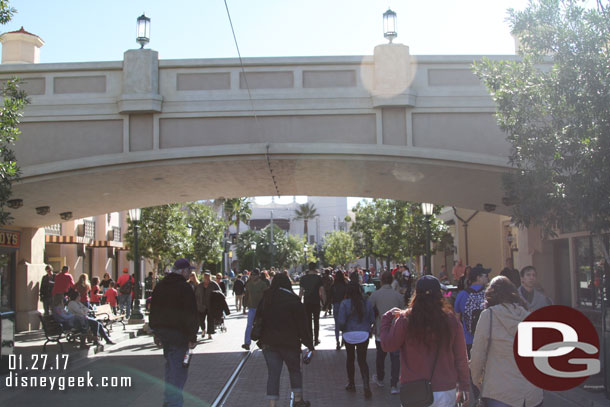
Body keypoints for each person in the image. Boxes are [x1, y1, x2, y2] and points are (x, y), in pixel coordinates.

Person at [380, 275, 470, 407]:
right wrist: (464, 386)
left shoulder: (406, 320)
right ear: (440, 295)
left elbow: (387, 345)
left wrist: (386, 319)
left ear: (416, 294)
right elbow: (461, 357)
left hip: (415, 390)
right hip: (445, 389)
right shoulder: (451, 321)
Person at [471, 276, 543, 407]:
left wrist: (476, 379)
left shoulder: (489, 316)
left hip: (500, 391)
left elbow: (478, 353)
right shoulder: (528, 317)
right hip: (531, 393)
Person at [258, 273, 314, 407]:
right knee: (295, 371)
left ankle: (272, 404)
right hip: (290, 342)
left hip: (269, 342)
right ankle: (298, 400)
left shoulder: (267, 297)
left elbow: (259, 318)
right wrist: (309, 344)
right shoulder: (293, 299)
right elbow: (303, 324)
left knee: (273, 374)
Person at [149, 258, 199, 407]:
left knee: (171, 366)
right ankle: (173, 402)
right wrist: (192, 336)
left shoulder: (161, 285)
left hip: (164, 333)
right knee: (178, 369)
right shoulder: (184, 288)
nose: (190, 273)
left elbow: (154, 310)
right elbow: (190, 314)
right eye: (189, 270)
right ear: (182, 271)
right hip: (179, 335)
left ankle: (169, 400)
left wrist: (156, 332)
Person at [368, 271, 404, 395]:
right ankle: (394, 384)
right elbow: (403, 313)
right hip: (396, 330)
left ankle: (380, 378)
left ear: (382, 280)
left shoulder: (375, 295)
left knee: (380, 356)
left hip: (381, 329)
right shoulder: (398, 296)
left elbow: (369, 310)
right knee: (395, 358)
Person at [337, 283, 375, 399]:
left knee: (350, 358)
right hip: (363, 333)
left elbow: (341, 321)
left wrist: (342, 330)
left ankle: (351, 383)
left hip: (349, 334)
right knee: (362, 360)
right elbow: (372, 318)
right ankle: (366, 385)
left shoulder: (344, 303)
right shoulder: (366, 302)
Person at [454, 264, 490, 357]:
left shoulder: (462, 295)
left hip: (468, 340)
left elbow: (457, 321)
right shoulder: (489, 294)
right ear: (478, 277)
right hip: (486, 339)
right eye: (485, 275)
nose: (488, 278)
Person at [242, 268, 268, 350]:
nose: (252, 276)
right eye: (251, 275)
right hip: (252, 307)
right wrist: (244, 306)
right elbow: (246, 295)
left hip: (261, 308)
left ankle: (264, 342)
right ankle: (247, 343)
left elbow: (267, 295)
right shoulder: (248, 284)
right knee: (249, 325)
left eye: (254, 275)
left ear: (258, 275)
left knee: (262, 325)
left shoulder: (263, 284)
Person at [299, 263, 324, 346]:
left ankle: (310, 338)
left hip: (307, 301)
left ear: (308, 268)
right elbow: (321, 291)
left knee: (308, 321)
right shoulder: (318, 278)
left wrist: (299, 301)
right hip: (316, 301)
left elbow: (301, 291)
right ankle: (316, 339)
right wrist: (324, 301)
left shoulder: (303, 278)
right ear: (315, 268)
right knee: (316, 321)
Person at [195, 271, 221, 340]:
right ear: (203, 277)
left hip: (211, 305)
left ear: (210, 277)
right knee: (201, 320)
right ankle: (203, 330)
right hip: (201, 306)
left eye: (208, 277)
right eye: (205, 277)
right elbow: (196, 295)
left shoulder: (214, 284)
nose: (207, 278)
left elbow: (220, 293)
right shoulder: (200, 285)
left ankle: (209, 334)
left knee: (210, 320)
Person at [330, 270, 348, 350]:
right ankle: (343, 338)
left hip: (336, 304)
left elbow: (330, 296)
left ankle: (337, 341)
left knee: (337, 324)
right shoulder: (345, 285)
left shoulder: (333, 286)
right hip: (344, 304)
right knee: (344, 323)